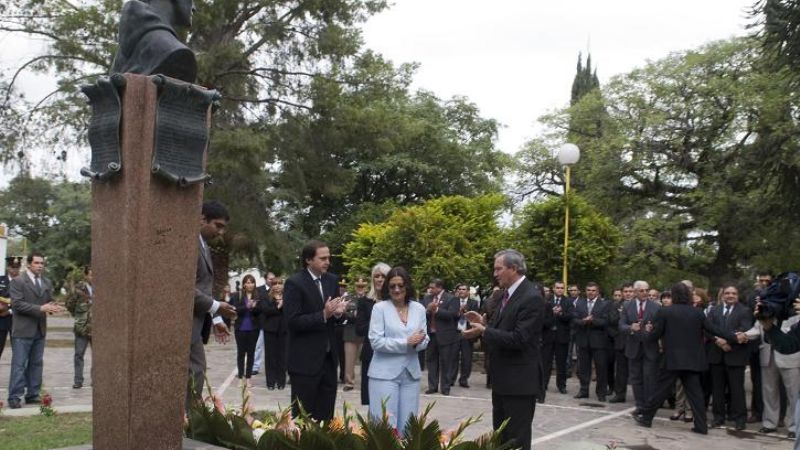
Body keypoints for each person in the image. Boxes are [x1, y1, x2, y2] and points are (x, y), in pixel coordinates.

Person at [463, 249, 544, 450]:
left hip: (519, 382)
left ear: (513, 268)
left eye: (499, 269)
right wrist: (481, 323)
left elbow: (520, 339)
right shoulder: (504, 295)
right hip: (502, 379)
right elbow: (502, 327)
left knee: (516, 439)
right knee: (501, 438)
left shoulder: (530, 296)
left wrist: (485, 331)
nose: (495, 274)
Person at [632, 282, 738, 434]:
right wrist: (734, 336)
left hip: (672, 360)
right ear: (688, 295)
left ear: (674, 295)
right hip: (693, 360)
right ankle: (701, 426)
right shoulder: (698, 313)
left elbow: (654, 336)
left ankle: (646, 418)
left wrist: (643, 333)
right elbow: (714, 330)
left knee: (660, 391)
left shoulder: (665, 312)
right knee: (695, 394)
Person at [283, 240, 346, 421]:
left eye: (329, 258)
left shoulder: (332, 280)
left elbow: (332, 315)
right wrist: (323, 315)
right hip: (304, 361)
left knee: (326, 417)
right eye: (323, 258)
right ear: (309, 260)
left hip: (328, 359)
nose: (327, 262)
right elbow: (293, 321)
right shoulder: (294, 283)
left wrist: (337, 314)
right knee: (303, 418)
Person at [368, 266, 429, 435]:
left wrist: (419, 343)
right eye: (392, 286)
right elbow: (375, 341)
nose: (396, 289)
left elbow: (424, 338)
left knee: (409, 426)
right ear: (387, 288)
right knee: (385, 425)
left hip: (411, 374)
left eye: (400, 285)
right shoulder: (380, 309)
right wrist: (406, 342)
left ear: (407, 286)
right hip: (384, 374)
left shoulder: (419, 308)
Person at [189, 201, 237, 405]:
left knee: (197, 372)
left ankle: (189, 423)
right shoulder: (189, 244)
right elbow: (183, 288)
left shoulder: (203, 246)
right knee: (194, 373)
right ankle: (185, 424)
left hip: (197, 322)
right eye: (218, 225)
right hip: (185, 324)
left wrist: (216, 318)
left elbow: (204, 287)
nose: (221, 232)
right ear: (202, 219)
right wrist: (217, 306)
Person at [7, 252, 65, 409]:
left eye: (42, 263)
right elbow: (17, 304)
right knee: (19, 365)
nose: (40, 266)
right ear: (29, 264)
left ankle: (32, 394)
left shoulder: (46, 281)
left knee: (36, 364)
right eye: (37, 263)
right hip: (22, 330)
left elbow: (47, 301)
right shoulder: (18, 282)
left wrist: (54, 306)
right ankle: (14, 397)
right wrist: (41, 308)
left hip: (40, 330)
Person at [740, 312, 800, 438]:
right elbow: (757, 329)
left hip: (789, 356)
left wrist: (772, 328)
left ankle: (794, 427)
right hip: (767, 355)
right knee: (769, 391)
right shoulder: (766, 309)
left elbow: (791, 333)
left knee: (793, 393)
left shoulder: (793, 311)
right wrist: (744, 334)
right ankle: (769, 424)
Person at [706, 285, 753, 430]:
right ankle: (718, 418)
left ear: (737, 295)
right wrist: (717, 340)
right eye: (727, 293)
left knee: (737, 390)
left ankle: (740, 420)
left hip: (735, 355)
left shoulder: (745, 311)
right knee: (717, 390)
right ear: (723, 295)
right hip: (717, 355)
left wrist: (727, 340)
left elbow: (744, 329)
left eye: (733, 293)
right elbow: (706, 328)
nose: (730, 295)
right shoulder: (714, 310)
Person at [619, 280, 660, 415]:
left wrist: (652, 329)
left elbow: (661, 327)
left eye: (647, 290)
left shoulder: (656, 307)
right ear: (635, 292)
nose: (645, 293)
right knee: (636, 378)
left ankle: (649, 406)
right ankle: (639, 405)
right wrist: (630, 327)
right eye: (642, 291)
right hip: (633, 346)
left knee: (649, 377)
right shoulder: (627, 305)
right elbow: (621, 325)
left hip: (650, 347)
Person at [356, 262, 390, 406]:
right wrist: (377, 316)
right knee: (372, 400)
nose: (380, 279)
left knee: (388, 398)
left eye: (383, 276)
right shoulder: (365, 302)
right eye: (376, 276)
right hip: (371, 354)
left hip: (390, 354)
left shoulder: (396, 302)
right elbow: (360, 329)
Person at [572, 282, 612, 401]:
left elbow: (605, 321)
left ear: (598, 292)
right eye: (589, 290)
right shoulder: (579, 303)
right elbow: (574, 319)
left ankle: (601, 393)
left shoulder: (605, 304)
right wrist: (584, 321)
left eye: (593, 290)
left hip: (599, 342)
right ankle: (584, 390)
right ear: (585, 291)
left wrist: (592, 320)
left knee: (601, 368)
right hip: (583, 341)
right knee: (584, 368)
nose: (591, 292)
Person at [421, 279, 459, 395]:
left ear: (439, 287)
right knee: (431, 361)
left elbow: (452, 315)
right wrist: (428, 310)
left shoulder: (451, 298)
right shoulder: (427, 298)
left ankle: (445, 388)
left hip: (445, 336)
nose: (430, 290)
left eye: (432, 287)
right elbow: (421, 314)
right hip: (430, 335)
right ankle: (432, 386)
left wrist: (436, 310)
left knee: (446, 362)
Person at [230, 274, 262, 384]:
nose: (250, 284)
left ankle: (248, 378)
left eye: (252, 282)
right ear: (244, 284)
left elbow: (261, 312)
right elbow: (235, 310)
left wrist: (254, 308)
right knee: (241, 353)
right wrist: (246, 307)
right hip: (240, 328)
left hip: (254, 329)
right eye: (247, 282)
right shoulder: (237, 295)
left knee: (251, 353)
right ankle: (240, 377)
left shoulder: (258, 296)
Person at [65, 266, 93, 389]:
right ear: (86, 276)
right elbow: (69, 304)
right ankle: (78, 380)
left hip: (98, 327)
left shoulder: (104, 286)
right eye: (92, 275)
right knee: (79, 354)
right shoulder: (78, 288)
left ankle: (96, 379)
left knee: (99, 355)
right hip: (82, 327)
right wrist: (78, 315)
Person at [450, 283, 479, 388]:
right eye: (460, 289)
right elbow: (450, 316)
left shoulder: (474, 303)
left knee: (467, 358)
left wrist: (465, 311)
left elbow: (475, 318)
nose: (461, 291)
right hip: (455, 333)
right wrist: (458, 312)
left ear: (468, 292)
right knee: (453, 357)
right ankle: (451, 379)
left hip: (467, 333)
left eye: (464, 289)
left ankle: (464, 380)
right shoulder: (453, 302)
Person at [342, 278, 367, 391]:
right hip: (350, 331)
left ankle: (365, 382)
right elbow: (344, 314)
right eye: (358, 286)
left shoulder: (369, 300)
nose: (360, 288)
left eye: (362, 286)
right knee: (349, 359)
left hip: (364, 333)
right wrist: (353, 315)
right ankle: (349, 382)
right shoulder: (348, 299)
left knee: (365, 359)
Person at [262, 280, 288, 390]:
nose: (277, 286)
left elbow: (290, 311)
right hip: (270, 330)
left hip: (284, 330)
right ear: (271, 286)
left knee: (282, 356)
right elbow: (266, 311)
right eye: (274, 284)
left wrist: (283, 305)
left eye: (279, 283)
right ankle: (270, 382)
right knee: (270, 357)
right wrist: (278, 307)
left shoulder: (288, 297)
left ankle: (281, 382)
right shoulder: (266, 297)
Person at [551, 281, 573, 394]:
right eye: (557, 288)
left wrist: (560, 314)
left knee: (561, 363)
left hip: (562, 336)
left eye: (562, 288)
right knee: (546, 362)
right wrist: (552, 312)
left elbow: (570, 316)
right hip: (549, 337)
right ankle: (543, 384)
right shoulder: (547, 300)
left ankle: (561, 385)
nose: (559, 290)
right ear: (553, 288)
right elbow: (542, 315)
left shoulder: (568, 301)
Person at [0, 256, 22, 361]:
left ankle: (17, 377)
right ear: (8, 268)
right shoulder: (0, 280)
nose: (15, 270)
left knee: (18, 353)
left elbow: (25, 302)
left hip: (17, 322)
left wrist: (9, 310)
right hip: (1, 321)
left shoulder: (24, 282)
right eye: (13, 267)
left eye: (17, 268)